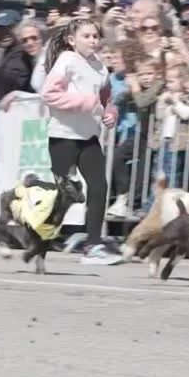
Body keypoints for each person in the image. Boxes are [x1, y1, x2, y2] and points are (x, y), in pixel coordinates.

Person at [41, 17, 120, 265]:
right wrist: (86, 103)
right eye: (86, 36)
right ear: (72, 40)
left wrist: (111, 113)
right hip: (63, 135)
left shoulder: (101, 67)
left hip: (88, 137)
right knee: (63, 195)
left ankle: (93, 245)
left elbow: (107, 99)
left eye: (95, 36)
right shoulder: (67, 60)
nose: (92, 41)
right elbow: (49, 93)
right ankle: (37, 236)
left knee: (99, 186)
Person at [107, 57, 164, 218]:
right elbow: (120, 99)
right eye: (141, 74)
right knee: (118, 155)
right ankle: (123, 196)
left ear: (157, 74)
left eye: (149, 73)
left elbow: (143, 102)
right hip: (143, 134)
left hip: (156, 137)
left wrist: (134, 87)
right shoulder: (140, 88)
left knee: (142, 170)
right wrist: (125, 92)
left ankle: (135, 204)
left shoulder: (159, 85)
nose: (145, 78)